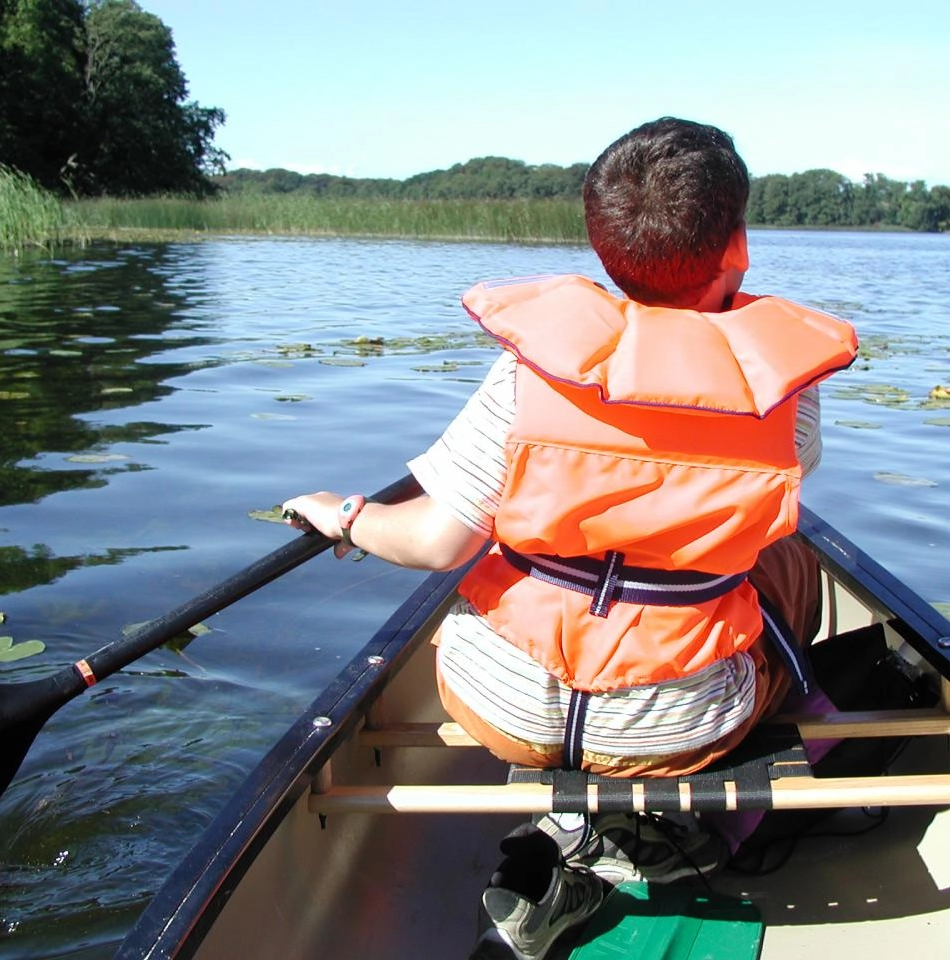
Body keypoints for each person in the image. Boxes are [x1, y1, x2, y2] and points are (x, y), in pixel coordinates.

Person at [282, 117, 858, 960]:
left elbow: (440, 541)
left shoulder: (532, 367)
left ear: (602, 247)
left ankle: (574, 837)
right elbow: (784, 478)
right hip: (685, 724)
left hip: (500, 705)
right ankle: (757, 763)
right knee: (790, 559)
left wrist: (347, 517)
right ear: (737, 243)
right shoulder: (784, 389)